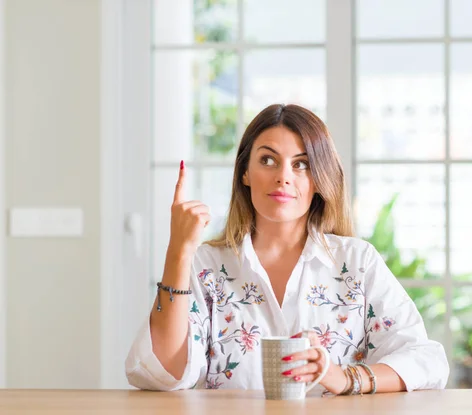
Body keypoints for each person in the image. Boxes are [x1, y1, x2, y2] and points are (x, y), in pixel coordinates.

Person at [125, 104, 449, 395]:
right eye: (268, 160)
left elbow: (427, 360)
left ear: (320, 179)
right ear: (245, 172)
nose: (283, 177)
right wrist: (178, 252)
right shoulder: (206, 265)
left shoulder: (357, 262)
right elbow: (160, 375)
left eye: (302, 165)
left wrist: (344, 378)